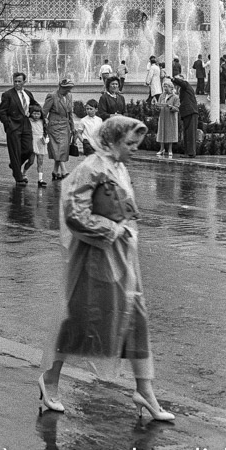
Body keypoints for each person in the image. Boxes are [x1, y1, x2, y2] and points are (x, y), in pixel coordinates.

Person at [38, 116, 174, 422]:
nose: (135, 149)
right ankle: (50, 380)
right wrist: (112, 230)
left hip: (123, 259)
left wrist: (128, 222)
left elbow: (124, 207)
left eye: (137, 144)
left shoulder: (118, 168)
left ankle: (145, 390)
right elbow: (74, 213)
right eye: (130, 143)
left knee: (135, 320)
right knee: (81, 321)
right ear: (112, 141)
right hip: (94, 260)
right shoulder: (91, 168)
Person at [0, 72, 37, 185]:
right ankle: (18, 177)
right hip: (13, 126)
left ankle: (15, 164)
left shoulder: (28, 94)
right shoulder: (8, 95)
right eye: (15, 81)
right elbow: (2, 111)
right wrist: (8, 124)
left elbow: (35, 105)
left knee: (29, 149)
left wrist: (39, 116)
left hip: (26, 124)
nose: (17, 83)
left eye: (19, 81)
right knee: (15, 151)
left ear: (24, 82)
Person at [42, 77, 76, 181]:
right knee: (59, 147)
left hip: (65, 125)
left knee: (63, 148)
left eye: (70, 88)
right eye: (66, 88)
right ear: (60, 87)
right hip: (54, 126)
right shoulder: (52, 96)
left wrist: (73, 127)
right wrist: (44, 124)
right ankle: (64, 170)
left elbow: (70, 113)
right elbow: (44, 112)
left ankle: (55, 171)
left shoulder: (69, 96)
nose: (69, 90)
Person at [172, 75, 199, 157]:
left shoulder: (186, 85)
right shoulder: (182, 89)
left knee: (190, 133)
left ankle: (190, 153)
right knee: (187, 133)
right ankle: (188, 152)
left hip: (190, 112)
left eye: (177, 79)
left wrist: (173, 78)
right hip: (187, 112)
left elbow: (182, 83)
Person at [155, 78, 179, 157]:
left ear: (171, 88)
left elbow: (177, 108)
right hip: (162, 116)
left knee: (170, 132)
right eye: (164, 86)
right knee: (162, 131)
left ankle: (170, 149)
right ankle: (161, 149)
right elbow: (159, 104)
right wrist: (157, 106)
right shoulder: (161, 96)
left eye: (166, 86)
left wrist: (170, 107)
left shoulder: (175, 97)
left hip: (170, 117)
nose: (165, 88)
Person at [28, 103, 49, 187]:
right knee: (31, 161)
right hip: (32, 141)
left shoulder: (43, 121)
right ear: (31, 113)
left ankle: (40, 179)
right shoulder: (28, 121)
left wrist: (46, 138)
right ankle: (24, 174)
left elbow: (46, 131)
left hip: (40, 142)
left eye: (38, 114)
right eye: (34, 113)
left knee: (40, 161)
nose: (36, 115)